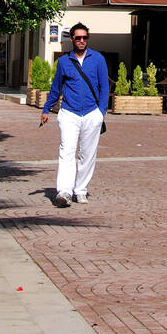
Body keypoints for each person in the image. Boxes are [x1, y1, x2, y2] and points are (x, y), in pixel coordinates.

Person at [41, 22, 108, 206]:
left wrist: (101, 112)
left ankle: (80, 190)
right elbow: (56, 88)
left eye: (84, 37)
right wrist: (47, 108)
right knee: (67, 152)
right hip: (69, 113)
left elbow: (104, 87)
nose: (81, 41)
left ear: (88, 39)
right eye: (78, 38)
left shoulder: (98, 59)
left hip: (91, 113)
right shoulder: (64, 61)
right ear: (71, 39)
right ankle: (64, 191)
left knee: (87, 154)